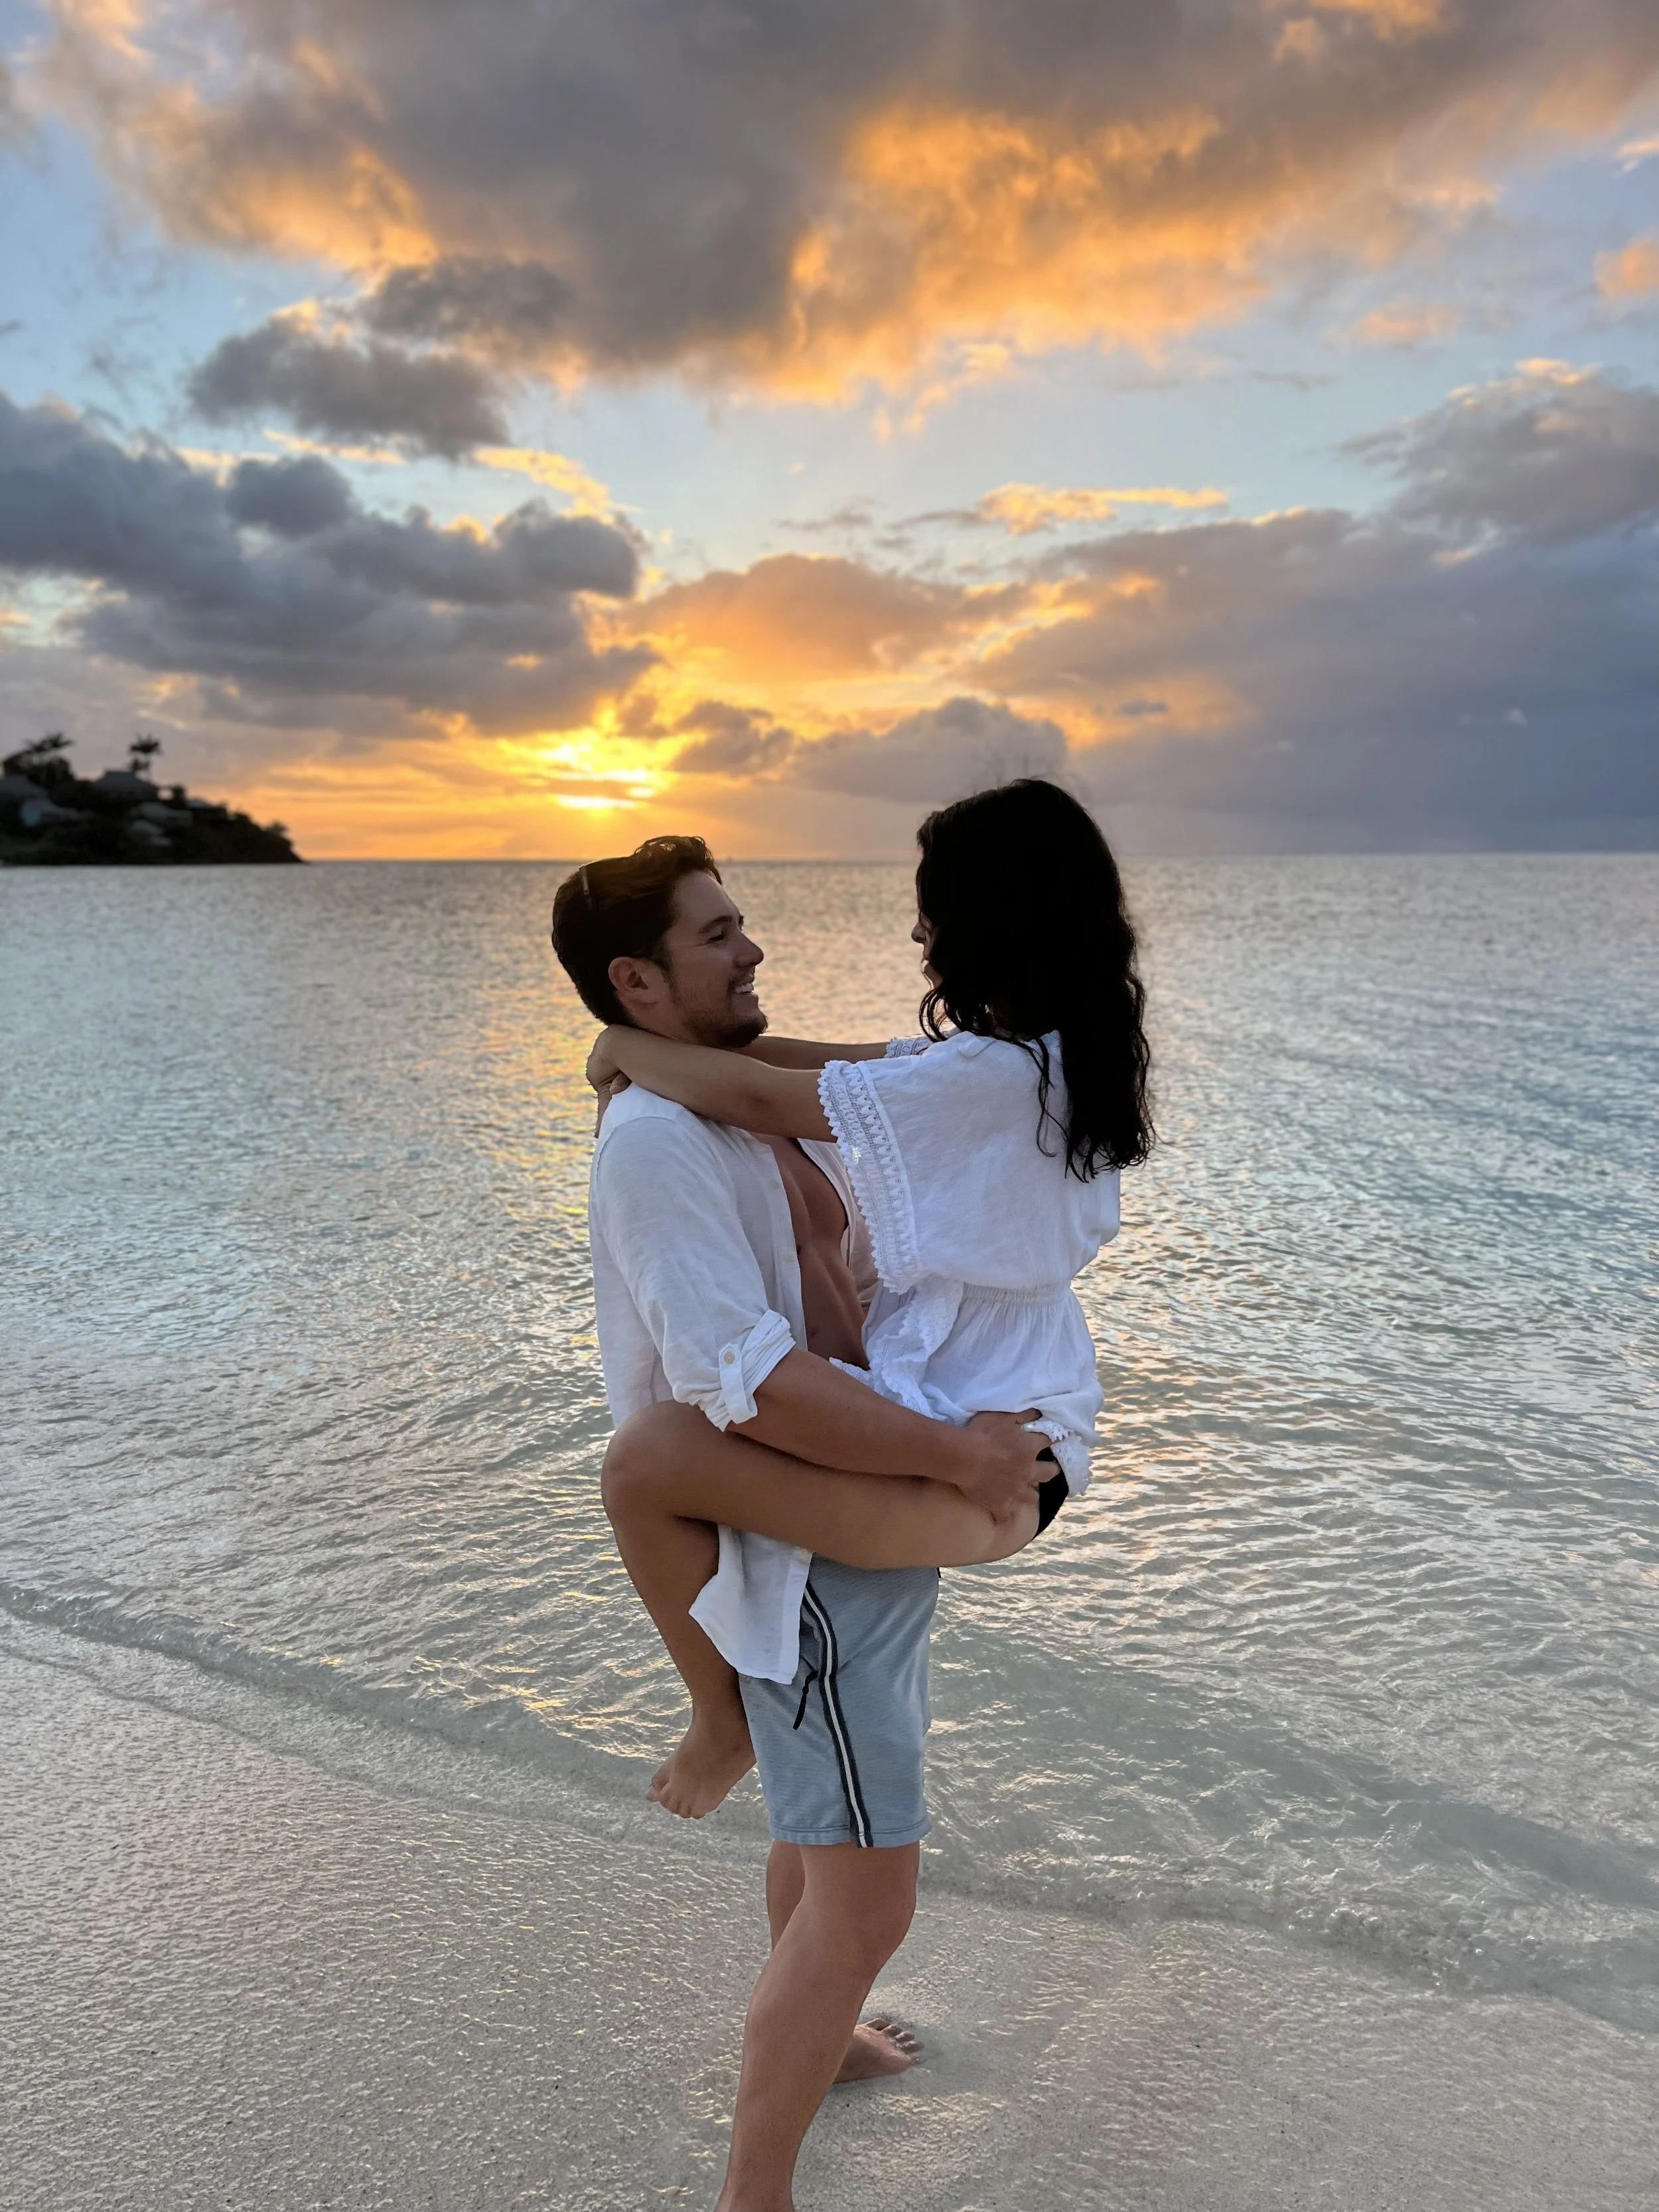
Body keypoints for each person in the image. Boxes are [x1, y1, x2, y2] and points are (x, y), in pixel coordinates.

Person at [556, 780, 1152, 2212]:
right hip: (852, 1518)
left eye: (744, 921)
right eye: (721, 932)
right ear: (642, 975)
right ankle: (750, 2195)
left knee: (825, 1852)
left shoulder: (950, 1084)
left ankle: (810, 2031)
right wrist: (949, 1452)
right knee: (864, 1895)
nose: (754, 947)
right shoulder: (673, 1138)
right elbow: (737, 1379)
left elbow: (805, 1081)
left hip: (912, 1480)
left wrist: (624, 1043)